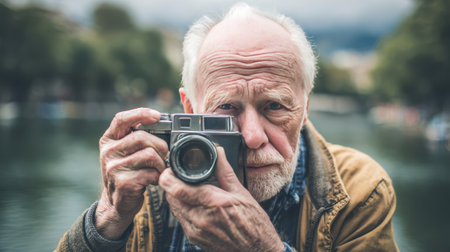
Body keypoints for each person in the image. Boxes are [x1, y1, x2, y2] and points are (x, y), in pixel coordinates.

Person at [56, 3, 399, 252]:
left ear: (305, 107)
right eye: (226, 109)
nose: (252, 136)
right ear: (190, 109)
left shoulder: (359, 191)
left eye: (275, 106)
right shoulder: (150, 179)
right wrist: (106, 221)